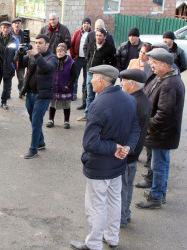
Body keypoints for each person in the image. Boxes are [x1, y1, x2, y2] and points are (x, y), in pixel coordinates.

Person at [70, 65, 140, 250]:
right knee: (114, 200)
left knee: (96, 205)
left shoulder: (98, 105)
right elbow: (136, 128)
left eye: (93, 77)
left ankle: (93, 243)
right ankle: (112, 238)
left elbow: (90, 143)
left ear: (102, 80)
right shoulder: (129, 99)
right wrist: (127, 148)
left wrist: (116, 147)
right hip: (118, 162)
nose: (90, 80)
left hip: (101, 165)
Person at [135, 48, 185, 209]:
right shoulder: (164, 77)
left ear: (165, 64)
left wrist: (148, 127)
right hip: (161, 133)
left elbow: (163, 115)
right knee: (161, 163)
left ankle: (156, 196)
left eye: (154, 62)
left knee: (159, 165)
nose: (150, 64)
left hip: (161, 134)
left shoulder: (170, 83)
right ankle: (160, 192)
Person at [15, 34, 58, 159]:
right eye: (36, 42)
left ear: (47, 45)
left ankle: (33, 149)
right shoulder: (33, 55)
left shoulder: (53, 58)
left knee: (36, 122)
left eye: (40, 43)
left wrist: (36, 55)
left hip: (42, 95)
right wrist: (19, 53)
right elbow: (19, 64)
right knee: (34, 120)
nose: (37, 45)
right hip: (30, 93)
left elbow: (46, 68)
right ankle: (40, 142)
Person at [119, 69, 151, 228]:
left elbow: (128, 130)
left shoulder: (135, 102)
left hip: (128, 153)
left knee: (123, 187)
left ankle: (122, 217)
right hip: (132, 151)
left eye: (123, 80)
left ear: (131, 83)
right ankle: (125, 214)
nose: (121, 83)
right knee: (126, 185)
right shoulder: (140, 98)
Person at [77, 28, 116, 122]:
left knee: (102, 96)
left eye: (100, 36)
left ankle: (100, 116)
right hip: (91, 73)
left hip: (102, 75)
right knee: (89, 95)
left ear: (105, 37)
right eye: (97, 35)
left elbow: (113, 62)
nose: (98, 37)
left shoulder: (110, 47)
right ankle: (87, 114)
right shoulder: (92, 44)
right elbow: (89, 56)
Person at [46, 43, 76, 129]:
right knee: (52, 104)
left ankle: (66, 121)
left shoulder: (71, 62)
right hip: (54, 87)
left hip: (65, 87)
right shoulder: (53, 60)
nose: (59, 53)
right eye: (58, 51)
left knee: (66, 104)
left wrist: (68, 85)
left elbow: (74, 76)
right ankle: (51, 120)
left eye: (61, 51)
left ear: (65, 52)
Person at [70, 17, 92, 106]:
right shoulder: (77, 33)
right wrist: (73, 56)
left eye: (87, 23)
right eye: (84, 23)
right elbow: (72, 44)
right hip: (77, 58)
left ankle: (84, 94)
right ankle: (74, 93)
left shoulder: (92, 33)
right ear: (82, 24)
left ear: (90, 24)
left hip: (87, 60)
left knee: (86, 78)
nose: (86, 25)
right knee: (75, 76)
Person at [10, 17, 25, 98]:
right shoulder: (9, 34)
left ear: (20, 25)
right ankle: (7, 93)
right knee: (8, 77)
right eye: (15, 23)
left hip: (21, 59)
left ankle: (21, 92)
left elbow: (28, 46)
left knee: (21, 78)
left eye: (18, 23)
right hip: (10, 59)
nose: (17, 25)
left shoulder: (24, 34)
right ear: (12, 25)